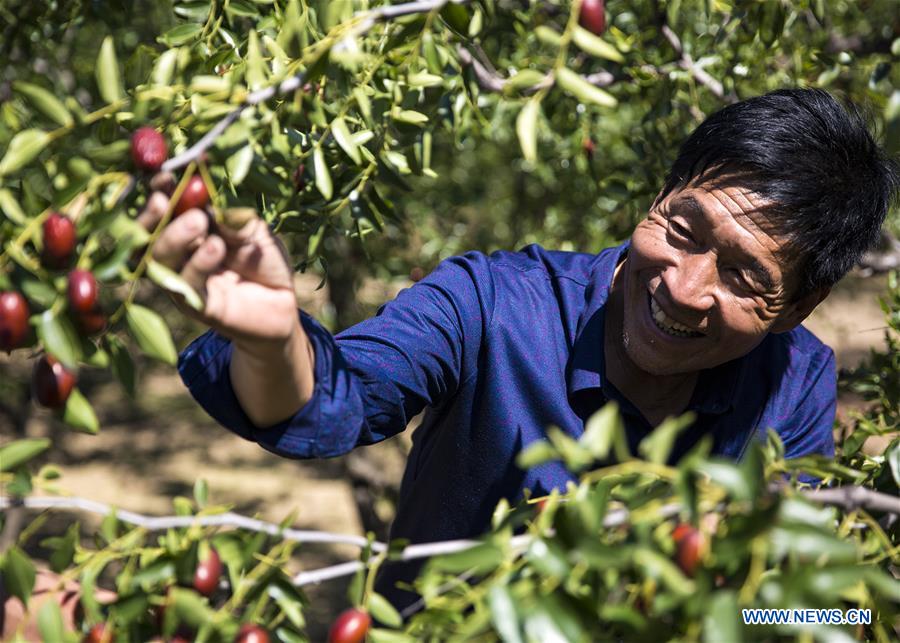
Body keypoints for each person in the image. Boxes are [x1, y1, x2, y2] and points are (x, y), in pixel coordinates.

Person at [3, 89, 896, 632]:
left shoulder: (794, 384)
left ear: (799, 307)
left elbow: (792, 603)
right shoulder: (492, 305)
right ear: (660, 195)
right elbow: (333, 402)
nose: (686, 286)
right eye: (684, 229)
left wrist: (831, 605)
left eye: (744, 277)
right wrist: (274, 341)